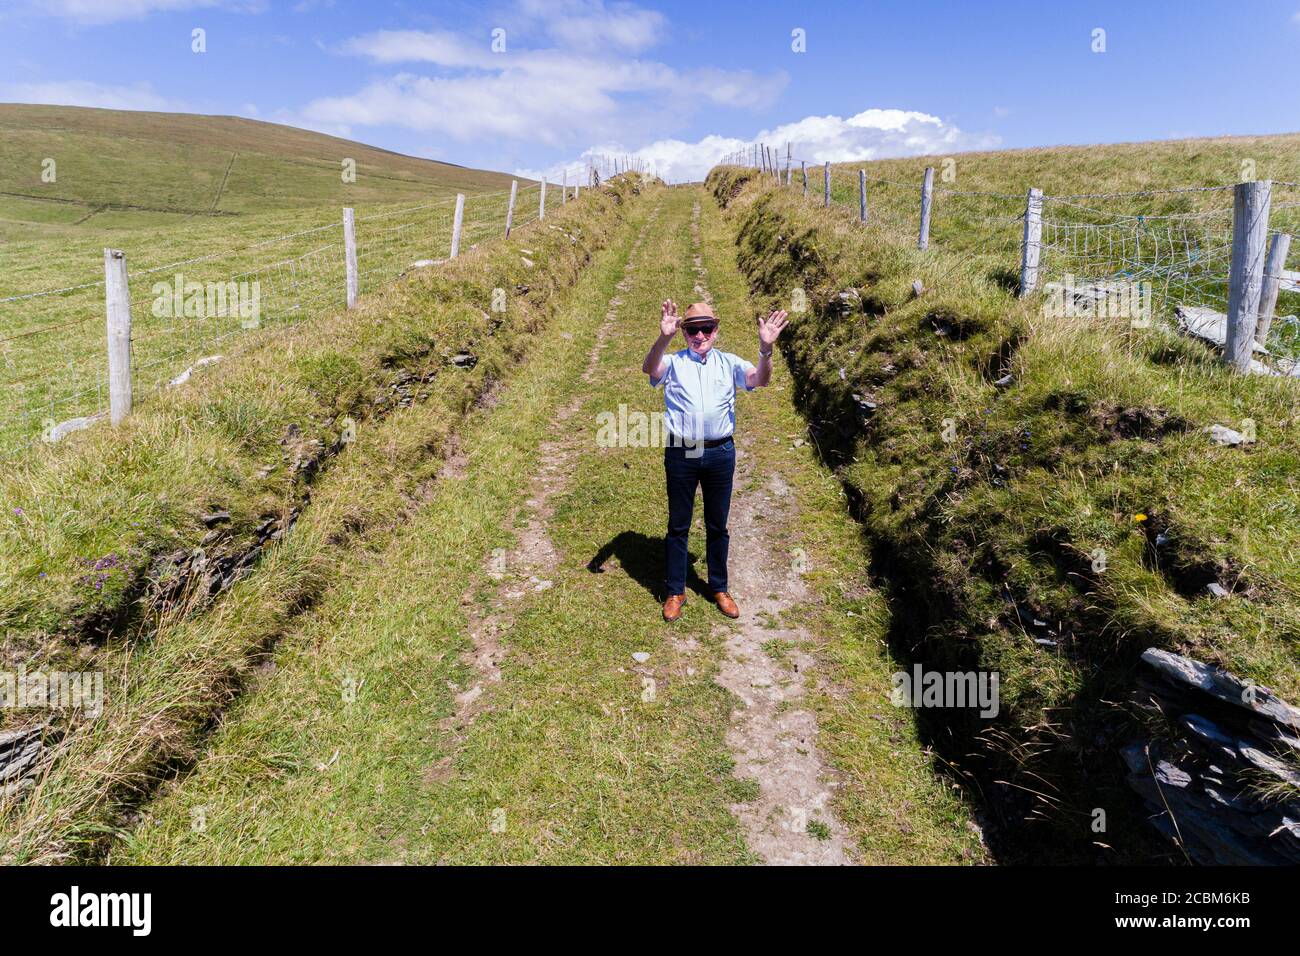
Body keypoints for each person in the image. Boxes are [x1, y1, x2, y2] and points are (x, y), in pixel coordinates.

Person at [640, 299, 788, 622]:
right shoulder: (674, 361)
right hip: (683, 450)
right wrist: (663, 337)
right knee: (679, 524)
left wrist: (766, 350)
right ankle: (676, 590)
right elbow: (650, 368)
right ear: (684, 333)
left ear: (716, 331)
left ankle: (719, 587)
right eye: (693, 329)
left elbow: (760, 380)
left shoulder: (729, 363)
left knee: (717, 524)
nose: (700, 335)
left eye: (707, 328)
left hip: (720, 452)